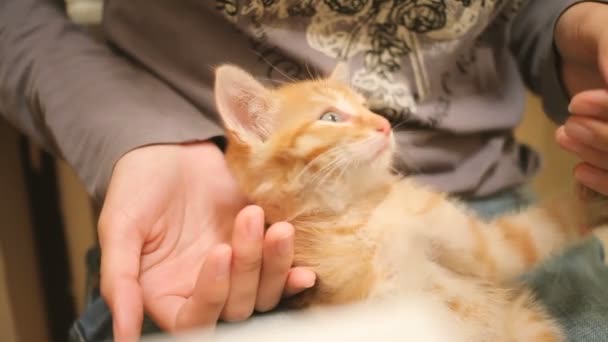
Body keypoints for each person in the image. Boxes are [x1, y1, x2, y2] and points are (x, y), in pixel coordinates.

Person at [1, 0, 607, 341]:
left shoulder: (403, 202)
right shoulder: (314, 232)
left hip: (480, 197)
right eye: (335, 116)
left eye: (363, 110)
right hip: (206, 234)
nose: (378, 123)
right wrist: (137, 140)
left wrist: (575, 25)